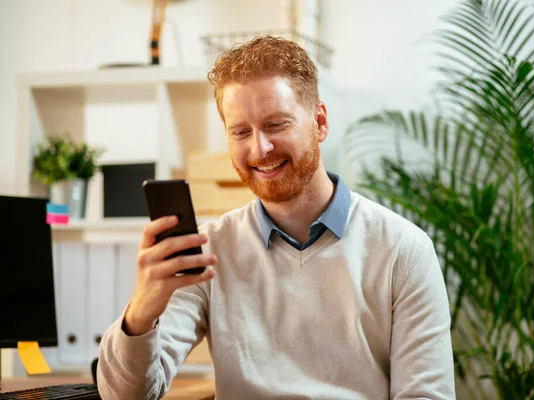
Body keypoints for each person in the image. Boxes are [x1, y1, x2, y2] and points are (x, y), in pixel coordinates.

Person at [97, 36, 456, 400]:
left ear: (319, 122)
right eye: (241, 132)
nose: (259, 149)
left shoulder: (403, 250)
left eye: (276, 124)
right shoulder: (206, 251)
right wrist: (142, 311)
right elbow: (124, 396)